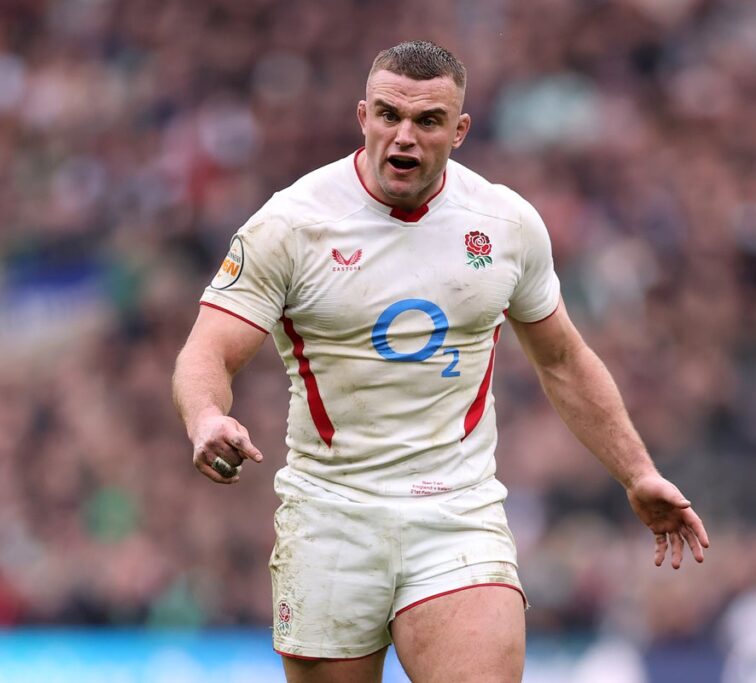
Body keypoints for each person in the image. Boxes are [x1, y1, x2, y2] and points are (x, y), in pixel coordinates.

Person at [171, 41, 709, 683]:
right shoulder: (291, 225)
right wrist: (206, 417)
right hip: (331, 512)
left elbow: (563, 359)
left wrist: (636, 472)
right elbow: (208, 348)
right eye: (389, 115)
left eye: (427, 121)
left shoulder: (503, 224)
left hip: (456, 510)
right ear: (362, 115)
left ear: (459, 131)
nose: (404, 136)